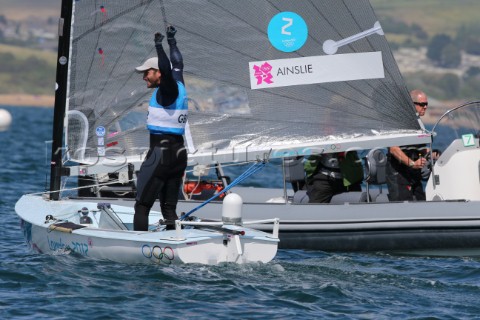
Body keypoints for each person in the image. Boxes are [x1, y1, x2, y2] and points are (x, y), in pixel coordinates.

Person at [133, 26, 188, 231]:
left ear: (158, 73)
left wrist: (158, 45)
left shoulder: (168, 89)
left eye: (147, 73)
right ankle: (173, 244)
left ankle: (138, 252)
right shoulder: (179, 84)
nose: (144, 77)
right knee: (168, 208)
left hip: (160, 155)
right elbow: (178, 63)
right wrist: (172, 41)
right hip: (179, 154)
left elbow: (167, 69)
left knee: (142, 205)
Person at [386, 89, 429, 201]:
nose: (425, 107)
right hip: (399, 175)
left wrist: (432, 153)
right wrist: (413, 164)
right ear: (411, 104)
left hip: (414, 174)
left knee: (420, 202)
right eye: (422, 104)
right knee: (403, 207)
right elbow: (393, 149)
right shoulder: (398, 122)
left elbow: (417, 149)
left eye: (426, 104)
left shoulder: (418, 123)